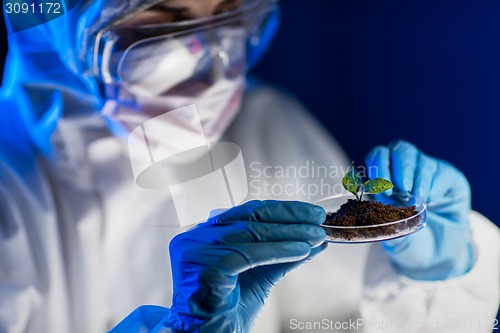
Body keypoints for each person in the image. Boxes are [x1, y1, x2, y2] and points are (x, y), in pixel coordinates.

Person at [0, 0, 498, 332]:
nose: (211, 68)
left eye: (228, 14)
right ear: (53, 32)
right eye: (159, 23)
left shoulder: (266, 124)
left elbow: (344, 320)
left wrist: (432, 282)